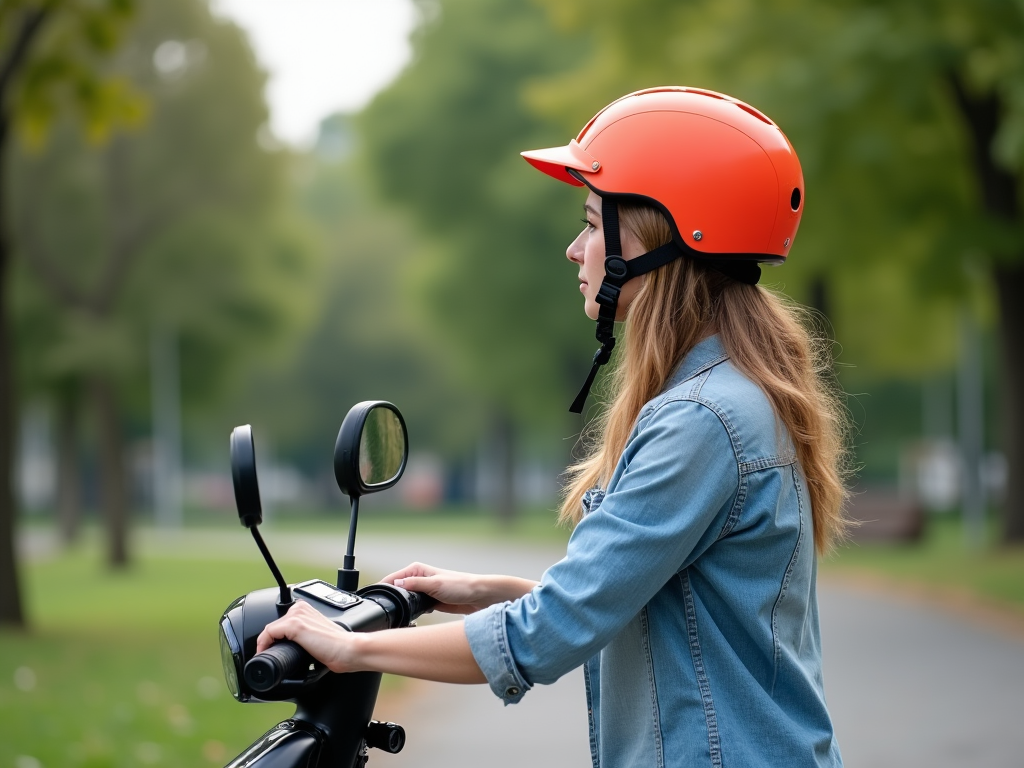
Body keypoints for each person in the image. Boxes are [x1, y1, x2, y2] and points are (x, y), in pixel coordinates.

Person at [258, 87, 849, 767]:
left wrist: (351, 647)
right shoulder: (735, 397)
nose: (576, 249)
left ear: (661, 236)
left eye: (594, 224)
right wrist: (491, 590)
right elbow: (646, 601)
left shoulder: (701, 421)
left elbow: (550, 635)